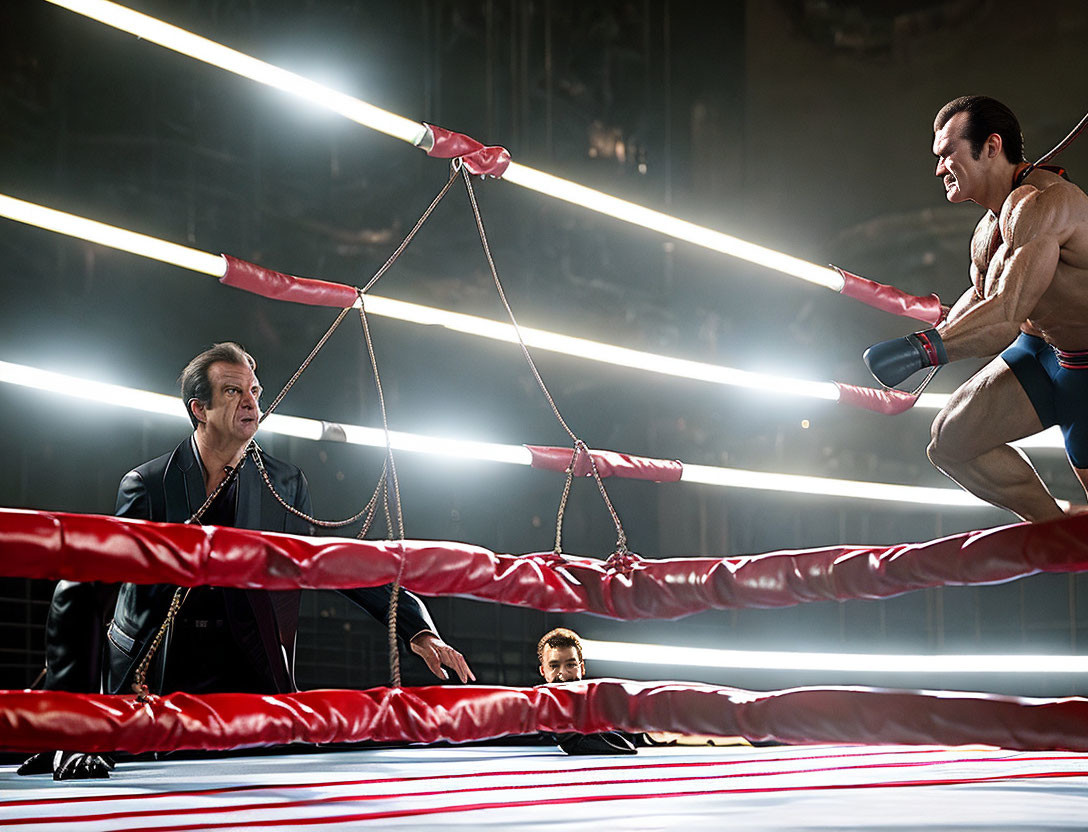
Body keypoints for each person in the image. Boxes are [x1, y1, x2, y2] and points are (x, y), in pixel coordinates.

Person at [21, 342, 474, 779]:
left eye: (254, 390)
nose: (251, 402)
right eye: (233, 391)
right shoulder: (148, 483)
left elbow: (327, 563)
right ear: (199, 409)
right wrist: (70, 726)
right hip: (159, 667)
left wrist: (415, 628)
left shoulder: (285, 481)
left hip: (247, 663)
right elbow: (90, 588)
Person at [864, 96, 1088, 520]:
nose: (938, 168)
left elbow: (1006, 311)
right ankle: (1056, 530)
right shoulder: (988, 229)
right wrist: (940, 337)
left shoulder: (1049, 203)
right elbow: (984, 299)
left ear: (990, 147)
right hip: (1044, 354)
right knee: (950, 442)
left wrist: (922, 349)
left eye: (948, 153)